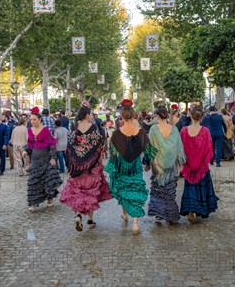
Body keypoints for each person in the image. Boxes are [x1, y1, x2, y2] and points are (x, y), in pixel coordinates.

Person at [104, 99, 156, 235]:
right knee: (135, 189)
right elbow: (148, 150)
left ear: (121, 117)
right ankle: (134, 223)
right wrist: (147, 162)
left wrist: (113, 167)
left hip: (122, 165)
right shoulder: (142, 132)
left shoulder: (116, 134)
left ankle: (124, 213)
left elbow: (113, 153)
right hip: (135, 166)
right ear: (134, 116)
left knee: (123, 188)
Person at [60, 105, 111, 231]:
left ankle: (78, 215)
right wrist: (98, 158)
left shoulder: (74, 126)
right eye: (91, 114)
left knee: (79, 191)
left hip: (77, 167)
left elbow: (70, 145)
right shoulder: (93, 127)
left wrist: (75, 159)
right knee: (91, 192)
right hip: (91, 166)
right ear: (87, 115)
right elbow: (98, 144)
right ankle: (90, 220)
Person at [180, 107, 219, 223]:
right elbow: (209, 149)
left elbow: (180, 149)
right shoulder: (205, 131)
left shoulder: (184, 131)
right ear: (201, 117)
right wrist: (206, 161)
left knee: (190, 188)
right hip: (202, 167)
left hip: (188, 166)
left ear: (190, 116)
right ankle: (200, 210)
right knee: (201, 187)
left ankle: (191, 210)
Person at [147, 106, 185, 224]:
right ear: (167, 115)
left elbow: (150, 147)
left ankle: (159, 214)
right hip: (170, 164)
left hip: (157, 164)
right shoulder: (174, 129)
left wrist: (148, 161)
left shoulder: (153, 129)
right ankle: (170, 215)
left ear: (157, 116)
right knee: (169, 189)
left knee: (158, 189)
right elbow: (178, 146)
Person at [24, 111, 62, 211]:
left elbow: (52, 144)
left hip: (46, 158)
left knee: (47, 180)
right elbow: (30, 145)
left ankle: (50, 199)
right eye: (31, 119)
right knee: (34, 180)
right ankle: (33, 203)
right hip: (34, 159)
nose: (32, 121)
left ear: (40, 119)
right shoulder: (29, 130)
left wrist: (53, 158)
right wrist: (25, 151)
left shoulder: (45, 130)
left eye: (34, 119)